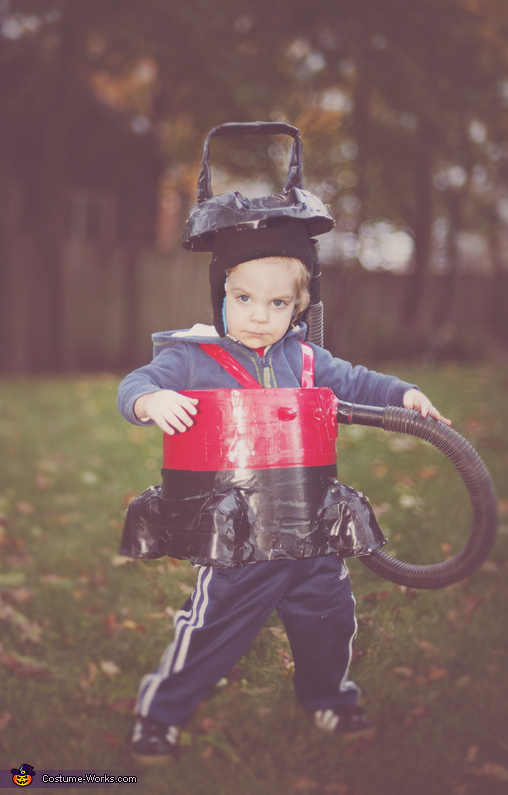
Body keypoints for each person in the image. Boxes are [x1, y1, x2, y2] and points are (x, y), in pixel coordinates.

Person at [117, 124, 451, 764]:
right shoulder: (195, 358)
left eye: (276, 304)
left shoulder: (306, 358)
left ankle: (329, 697)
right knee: (210, 630)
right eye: (242, 298)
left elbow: (358, 381)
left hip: (311, 530)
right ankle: (161, 712)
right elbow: (138, 381)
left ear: (299, 310)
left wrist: (403, 394)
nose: (257, 315)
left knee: (329, 622)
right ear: (222, 295)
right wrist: (148, 400)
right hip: (236, 532)